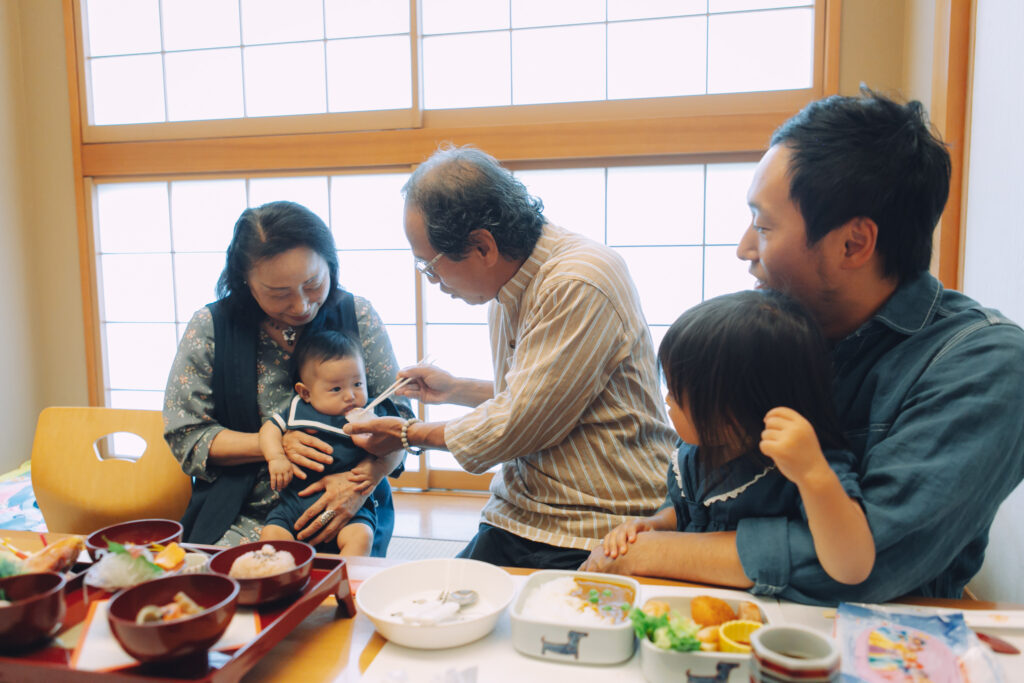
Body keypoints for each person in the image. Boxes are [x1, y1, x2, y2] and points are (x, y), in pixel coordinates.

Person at [581, 89, 1024, 605]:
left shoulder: (982, 364)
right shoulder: (768, 333)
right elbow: (707, 483)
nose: (744, 248)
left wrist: (659, 552)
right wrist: (660, 529)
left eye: (764, 225)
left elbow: (866, 564)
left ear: (853, 243)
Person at [345, 145, 678, 569]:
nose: (432, 281)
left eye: (431, 266)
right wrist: (454, 389)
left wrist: (409, 434)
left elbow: (520, 422)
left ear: (482, 246)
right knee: (431, 603)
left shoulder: (578, 281)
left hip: (600, 516)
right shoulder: (509, 284)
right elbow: (540, 395)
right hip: (524, 509)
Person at [163, 200, 412, 554]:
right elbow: (185, 433)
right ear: (245, 282)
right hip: (240, 511)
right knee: (235, 588)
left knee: (343, 585)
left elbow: (399, 420)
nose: (301, 306)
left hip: (346, 499)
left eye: (313, 284)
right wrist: (271, 447)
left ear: (330, 264)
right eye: (279, 293)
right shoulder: (211, 327)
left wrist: (362, 482)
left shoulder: (357, 316)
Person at [599, 290, 875, 585]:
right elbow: (683, 511)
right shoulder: (692, 450)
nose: (667, 401)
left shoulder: (802, 464)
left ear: (731, 416)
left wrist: (814, 475)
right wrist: (653, 524)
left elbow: (852, 569)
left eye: (677, 396)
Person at [259, 330, 402, 556]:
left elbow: (397, 445)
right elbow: (269, 429)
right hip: (294, 503)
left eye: (357, 383)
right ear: (305, 392)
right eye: (336, 389)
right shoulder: (299, 409)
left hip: (352, 508)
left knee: (360, 536)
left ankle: (343, 587)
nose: (350, 396)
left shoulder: (370, 413)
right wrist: (275, 457)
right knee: (271, 537)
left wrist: (378, 469)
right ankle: (281, 584)